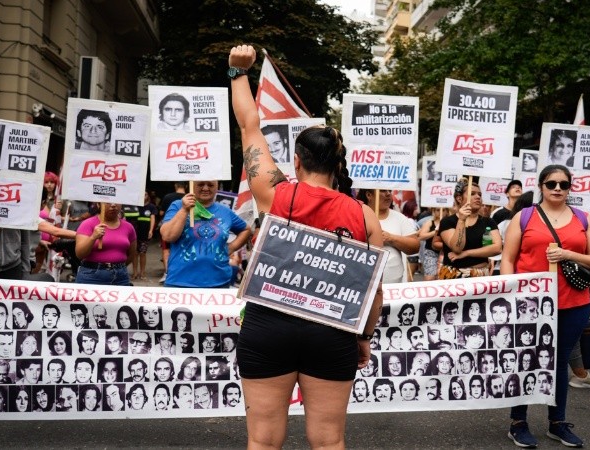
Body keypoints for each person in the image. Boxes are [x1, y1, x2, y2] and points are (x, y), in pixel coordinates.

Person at [231, 44, 385, 450]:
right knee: (329, 442)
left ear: (296, 161)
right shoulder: (365, 216)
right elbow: (374, 291)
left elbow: (250, 126)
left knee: (262, 441)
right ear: (338, 165)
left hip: (268, 327)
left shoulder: (274, 193)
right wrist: (364, 336)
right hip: (331, 333)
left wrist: (237, 71)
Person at [501, 164, 590, 448]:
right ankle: (518, 422)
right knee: (526, 360)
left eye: (563, 184)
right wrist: (512, 295)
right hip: (529, 303)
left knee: (558, 362)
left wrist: (567, 253)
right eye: (551, 184)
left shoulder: (584, 219)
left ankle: (557, 422)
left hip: (573, 303)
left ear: (570, 187)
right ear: (541, 186)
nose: (558, 188)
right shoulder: (524, 217)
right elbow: (508, 259)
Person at [160, 180, 251, 288]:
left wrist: (231, 248)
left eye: (211, 185)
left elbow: (246, 230)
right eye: (201, 184)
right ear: (192, 184)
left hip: (219, 283)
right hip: (180, 283)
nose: (206, 188)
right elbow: (167, 236)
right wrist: (184, 210)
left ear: (217, 186)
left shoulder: (224, 211)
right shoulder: (177, 206)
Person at [433, 179, 501, 279]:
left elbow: (497, 248)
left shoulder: (488, 222)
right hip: (454, 275)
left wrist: (467, 253)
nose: (478, 197)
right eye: (472, 194)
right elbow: (457, 248)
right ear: (459, 199)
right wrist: (461, 220)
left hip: (480, 276)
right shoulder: (448, 222)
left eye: (480, 194)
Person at [357, 189, 419, 283]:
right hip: (363, 282)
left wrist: (391, 238)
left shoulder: (399, 218)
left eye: (390, 191)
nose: (388, 194)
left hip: (393, 286)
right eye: (383, 191)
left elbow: (415, 246)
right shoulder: (357, 215)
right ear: (369, 195)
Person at [75, 202, 136, 286]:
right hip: (92, 276)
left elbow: (132, 254)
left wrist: (118, 267)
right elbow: (80, 254)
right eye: (108, 202)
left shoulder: (128, 227)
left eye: (117, 202)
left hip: (121, 277)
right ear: (99, 205)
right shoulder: (87, 224)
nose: (113, 205)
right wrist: (93, 237)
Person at [158, 182, 188, 283]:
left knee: (166, 250)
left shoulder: (168, 197)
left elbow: (161, 212)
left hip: (170, 225)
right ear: (186, 187)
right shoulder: (190, 198)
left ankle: (167, 273)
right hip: (185, 228)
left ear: (175, 186)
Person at [132, 190, 158, 280]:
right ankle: (135, 272)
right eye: (142, 194)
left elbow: (153, 218)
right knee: (134, 253)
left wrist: (151, 230)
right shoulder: (134, 206)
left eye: (145, 194)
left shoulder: (151, 207)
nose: (144, 196)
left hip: (145, 233)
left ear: (148, 196)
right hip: (135, 232)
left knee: (143, 253)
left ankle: (142, 272)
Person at [419, 209, 444, 280]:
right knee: (429, 278)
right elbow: (421, 236)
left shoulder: (449, 222)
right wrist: (436, 231)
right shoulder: (430, 222)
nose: (440, 212)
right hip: (431, 254)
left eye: (444, 210)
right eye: (437, 210)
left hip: (445, 254)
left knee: (442, 278)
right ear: (434, 211)